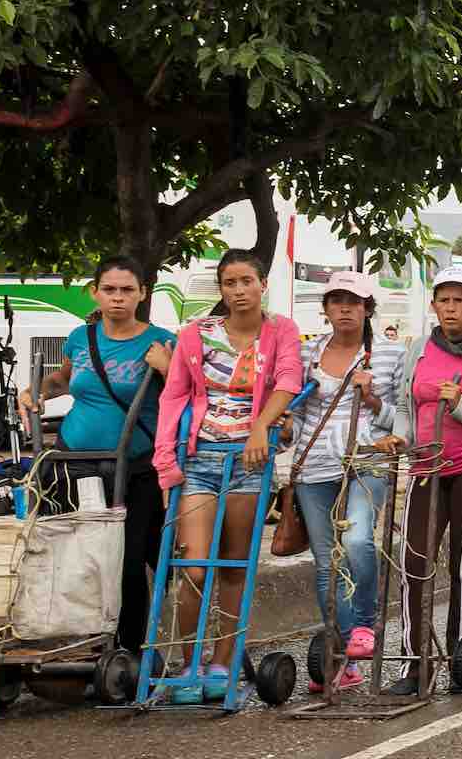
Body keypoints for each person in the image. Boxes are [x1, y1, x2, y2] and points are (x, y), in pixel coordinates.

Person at [151, 250, 305, 703]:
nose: (238, 291)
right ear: (220, 289)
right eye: (229, 283)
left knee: (235, 566)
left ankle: (222, 661)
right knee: (194, 568)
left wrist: (261, 427)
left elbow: (289, 381)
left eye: (246, 281)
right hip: (200, 461)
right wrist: (166, 462)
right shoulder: (196, 334)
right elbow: (173, 397)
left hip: (250, 463)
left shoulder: (281, 330)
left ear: (262, 285)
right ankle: (189, 664)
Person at [366, 265, 462, 695]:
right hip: (426, 466)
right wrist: (401, 436)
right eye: (444, 300)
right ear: (434, 305)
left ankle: (461, 655)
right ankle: (414, 664)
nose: (451, 308)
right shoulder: (420, 347)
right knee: (413, 563)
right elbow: (406, 404)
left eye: (460, 300)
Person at [18, 256, 172, 656]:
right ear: (95, 293)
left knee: (127, 559)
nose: (117, 298)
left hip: (134, 465)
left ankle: (130, 649)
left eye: (127, 290)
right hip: (74, 462)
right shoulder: (80, 337)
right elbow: (64, 379)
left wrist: (168, 368)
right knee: (80, 555)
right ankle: (93, 638)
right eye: (109, 289)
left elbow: (184, 394)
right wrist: (35, 391)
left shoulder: (160, 341)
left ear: (142, 294)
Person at [292, 272, 398, 692]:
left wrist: (372, 399)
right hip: (315, 463)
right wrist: (284, 433)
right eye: (337, 301)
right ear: (326, 309)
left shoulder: (390, 354)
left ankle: (365, 627)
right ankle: (342, 657)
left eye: (354, 302)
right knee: (326, 563)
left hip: (368, 457)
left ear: (367, 308)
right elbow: (298, 414)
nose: (345, 309)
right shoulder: (308, 353)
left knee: (356, 540)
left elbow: (402, 417)